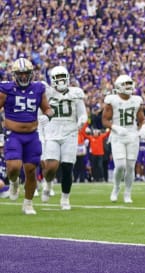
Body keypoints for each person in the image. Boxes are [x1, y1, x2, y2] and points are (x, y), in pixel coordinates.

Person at [0, 57, 54, 215]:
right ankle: (14, 182)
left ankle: (28, 203)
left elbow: (48, 109)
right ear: (14, 75)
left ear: (31, 74)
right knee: (13, 167)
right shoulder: (6, 89)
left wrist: (48, 115)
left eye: (26, 73)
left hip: (32, 135)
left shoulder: (38, 88)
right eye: (20, 74)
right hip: (13, 134)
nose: (23, 76)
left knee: (31, 170)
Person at [40, 66, 88, 210]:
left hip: (70, 132)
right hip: (52, 132)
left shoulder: (75, 93)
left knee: (67, 167)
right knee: (51, 166)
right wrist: (42, 120)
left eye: (63, 77)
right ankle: (48, 183)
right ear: (52, 79)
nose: (61, 80)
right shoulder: (46, 93)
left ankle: (65, 198)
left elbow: (83, 113)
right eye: (58, 77)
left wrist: (82, 120)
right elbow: (40, 111)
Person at [102, 74, 145, 203]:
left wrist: (143, 127)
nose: (128, 87)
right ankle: (116, 188)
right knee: (120, 165)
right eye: (125, 84)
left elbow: (141, 119)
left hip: (132, 135)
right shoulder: (112, 100)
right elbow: (104, 120)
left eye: (129, 84)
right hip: (117, 135)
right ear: (118, 87)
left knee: (130, 166)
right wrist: (115, 127)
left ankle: (127, 192)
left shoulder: (136, 100)